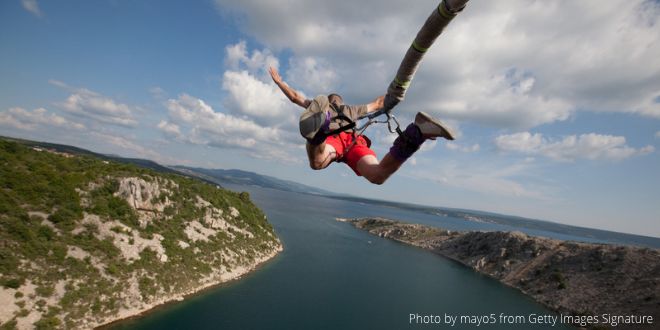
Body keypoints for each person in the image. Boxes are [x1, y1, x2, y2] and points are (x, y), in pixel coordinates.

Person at [270, 67, 455, 185]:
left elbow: (295, 97)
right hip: (349, 143)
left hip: (339, 142)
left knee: (318, 163)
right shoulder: (351, 110)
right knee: (377, 176)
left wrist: (280, 82)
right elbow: (378, 103)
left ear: (327, 102)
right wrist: (396, 90)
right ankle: (417, 134)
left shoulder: (338, 108)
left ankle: (317, 134)